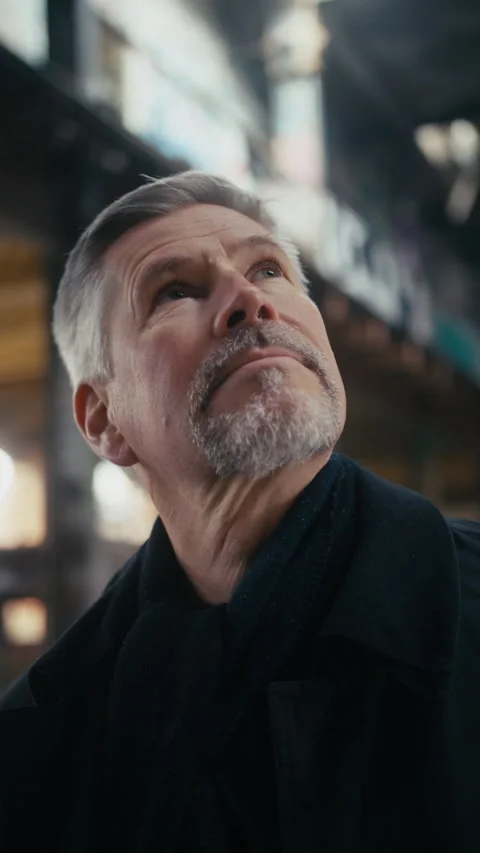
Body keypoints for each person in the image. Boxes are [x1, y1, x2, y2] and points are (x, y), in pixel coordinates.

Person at [1, 171, 479, 853]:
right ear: (103, 417)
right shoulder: (39, 751)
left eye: (268, 268)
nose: (250, 299)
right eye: (175, 289)